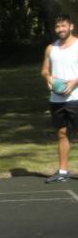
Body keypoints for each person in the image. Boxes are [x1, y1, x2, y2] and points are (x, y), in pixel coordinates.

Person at [41, 14, 78, 183]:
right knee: (62, 133)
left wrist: (74, 82)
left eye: (63, 26)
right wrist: (48, 78)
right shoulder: (51, 48)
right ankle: (63, 171)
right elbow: (44, 70)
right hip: (57, 100)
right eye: (58, 27)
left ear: (71, 26)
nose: (60, 29)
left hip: (76, 97)